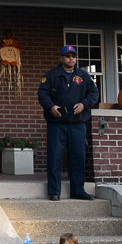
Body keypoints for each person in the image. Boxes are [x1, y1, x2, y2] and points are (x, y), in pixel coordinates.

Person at [38, 45, 99, 201]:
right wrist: (51, 107)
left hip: (78, 124)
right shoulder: (52, 75)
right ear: (61, 58)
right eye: (67, 56)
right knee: (55, 157)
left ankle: (78, 191)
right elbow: (42, 94)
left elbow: (94, 93)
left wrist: (84, 104)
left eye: (73, 56)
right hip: (56, 124)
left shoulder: (84, 76)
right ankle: (54, 191)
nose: (71, 58)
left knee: (78, 157)